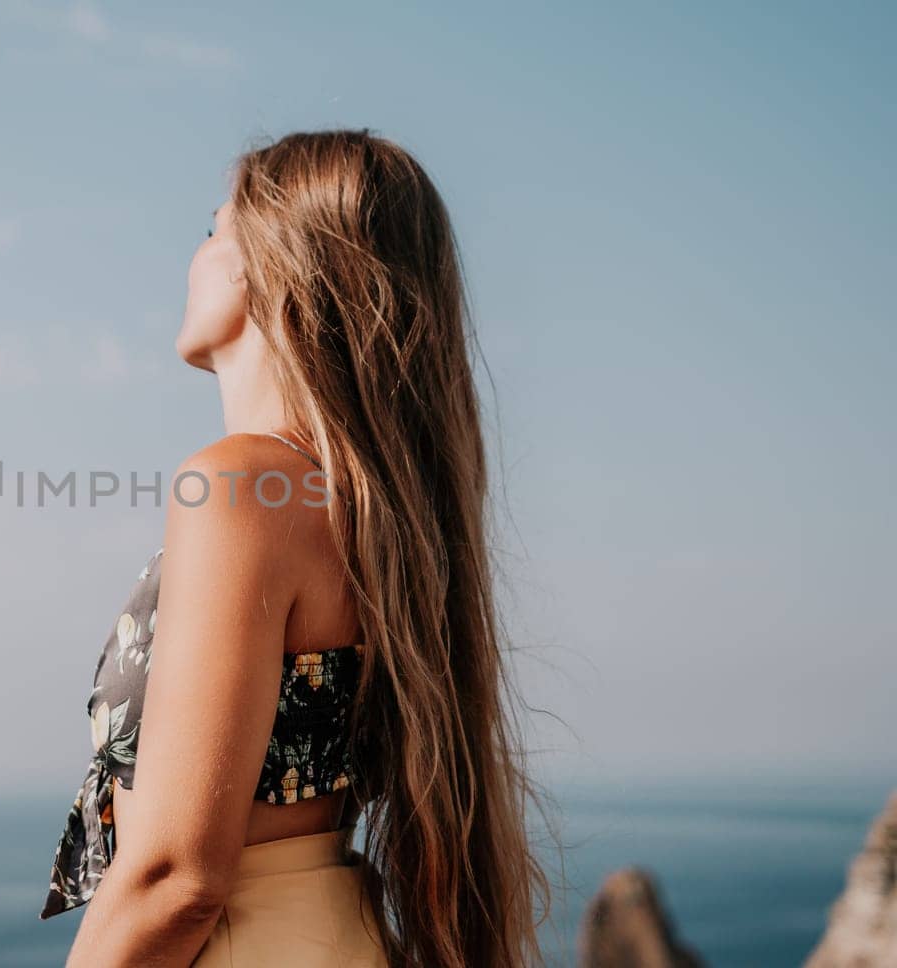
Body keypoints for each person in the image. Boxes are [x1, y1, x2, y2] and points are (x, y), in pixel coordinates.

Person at [40, 129, 551, 967]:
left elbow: (175, 877)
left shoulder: (241, 488)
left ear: (269, 265)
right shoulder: (375, 516)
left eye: (212, 230)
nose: (195, 257)